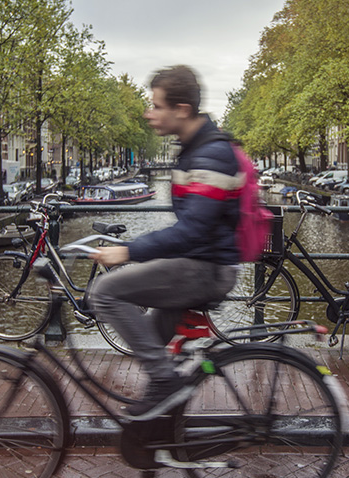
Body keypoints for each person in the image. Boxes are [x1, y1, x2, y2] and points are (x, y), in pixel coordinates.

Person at [89, 65, 241, 419]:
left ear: (182, 110)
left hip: (208, 268)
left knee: (105, 292)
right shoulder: (193, 148)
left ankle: (165, 387)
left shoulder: (210, 155)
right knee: (150, 346)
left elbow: (193, 230)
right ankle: (162, 432)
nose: (148, 112)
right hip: (199, 261)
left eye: (156, 105)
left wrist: (128, 251)